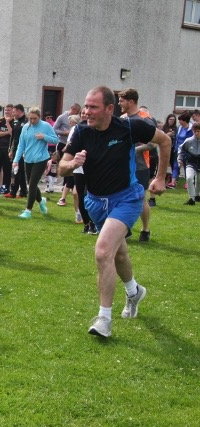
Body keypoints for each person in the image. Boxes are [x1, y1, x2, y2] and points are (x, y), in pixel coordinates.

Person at [59, 85, 171, 338]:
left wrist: (161, 177)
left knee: (102, 251)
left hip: (127, 198)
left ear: (110, 109)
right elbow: (61, 168)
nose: (87, 112)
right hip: (96, 202)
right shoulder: (81, 133)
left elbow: (164, 141)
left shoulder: (130, 127)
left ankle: (104, 319)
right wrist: (72, 163)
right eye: (86, 106)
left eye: (93, 107)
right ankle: (133, 292)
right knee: (117, 253)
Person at [118, 88, 158, 243]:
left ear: (131, 101)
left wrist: (134, 150)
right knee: (121, 197)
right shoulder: (122, 118)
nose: (119, 104)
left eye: (121, 101)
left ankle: (145, 229)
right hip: (123, 166)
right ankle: (124, 229)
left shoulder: (145, 119)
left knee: (140, 199)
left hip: (140, 166)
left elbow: (153, 144)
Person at [12, 107, 58, 219]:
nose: (32, 121)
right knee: (31, 184)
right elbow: (21, 145)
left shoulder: (46, 126)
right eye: (30, 118)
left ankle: (28, 211)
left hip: (41, 159)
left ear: (39, 117)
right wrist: (16, 160)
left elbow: (55, 140)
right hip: (28, 159)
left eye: (35, 118)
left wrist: (44, 137)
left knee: (31, 185)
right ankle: (41, 201)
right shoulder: (26, 127)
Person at [7, 104, 28, 199]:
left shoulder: (26, 122)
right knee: (18, 170)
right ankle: (22, 191)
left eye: (14, 111)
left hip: (22, 150)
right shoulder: (16, 122)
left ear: (19, 111)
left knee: (17, 171)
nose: (12, 113)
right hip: (16, 149)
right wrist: (11, 149)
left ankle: (13, 192)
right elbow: (14, 137)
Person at [168, 113, 193, 188]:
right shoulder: (179, 128)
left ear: (185, 121)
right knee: (175, 165)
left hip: (187, 151)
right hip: (178, 149)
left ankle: (187, 183)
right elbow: (177, 138)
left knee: (187, 166)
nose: (179, 122)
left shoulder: (191, 129)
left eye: (180, 120)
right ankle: (173, 182)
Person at [0, 104, 14, 195]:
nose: (6, 112)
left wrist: (7, 129)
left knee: (7, 169)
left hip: (8, 148)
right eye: (5, 110)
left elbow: (12, 134)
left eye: (9, 110)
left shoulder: (14, 121)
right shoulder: (0, 121)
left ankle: (6, 188)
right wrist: (6, 132)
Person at [178, 122, 200, 205]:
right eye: (195, 131)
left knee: (199, 180)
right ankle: (192, 198)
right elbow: (181, 150)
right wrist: (179, 159)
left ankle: (197, 195)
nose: (196, 133)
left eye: (198, 131)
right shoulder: (188, 141)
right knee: (189, 178)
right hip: (191, 161)